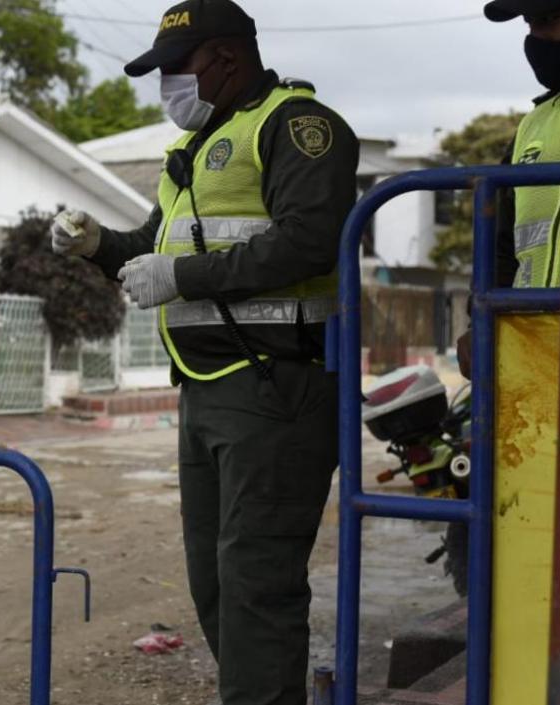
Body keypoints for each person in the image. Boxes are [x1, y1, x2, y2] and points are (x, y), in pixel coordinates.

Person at [51, 1, 358, 703]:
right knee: (215, 580)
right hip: (206, 383)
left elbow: (309, 239)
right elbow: (154, 253)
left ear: (225, 57)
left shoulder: (296, 127)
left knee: (257, 579)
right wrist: (97, 243)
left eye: (175, 68)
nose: (167, 86)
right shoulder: (195, 149)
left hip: (274, 384)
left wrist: (181, 276)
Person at [456, 0, 560, 378]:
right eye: (531, 23)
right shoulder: (532, 126)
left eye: (549, 20)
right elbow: (502, 244)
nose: (536, 37)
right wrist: (479, 319)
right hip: (533, 340)